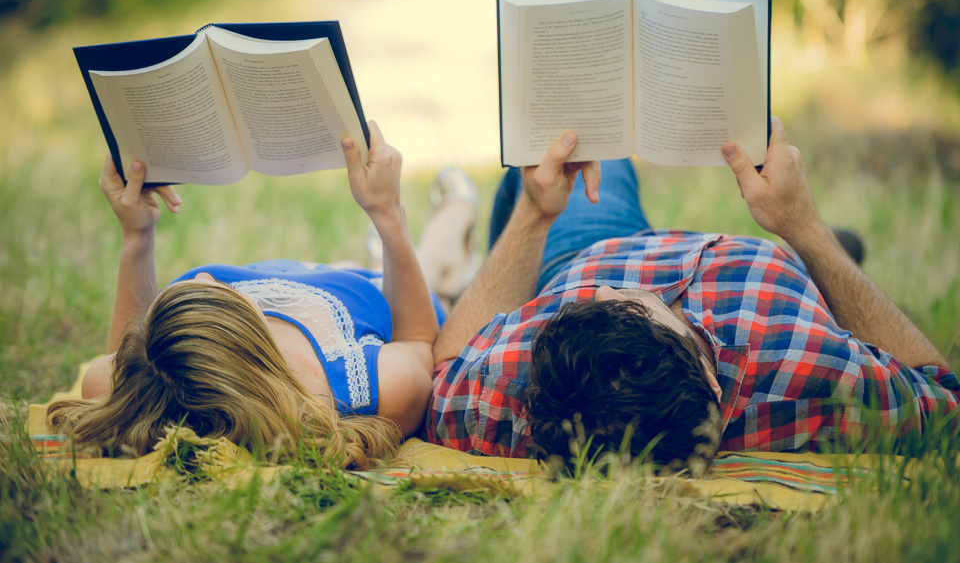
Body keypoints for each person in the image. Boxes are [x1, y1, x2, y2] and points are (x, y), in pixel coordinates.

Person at [427, 119, 960, 475]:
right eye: (635, 300)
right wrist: (805, 228)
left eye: (606, 299)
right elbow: (944, 397)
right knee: (839, 278)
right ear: (709, 378)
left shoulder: (527, 381)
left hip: (586, 250)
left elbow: (446, 366)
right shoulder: (815, 366)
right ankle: (828, 265)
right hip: (779, 275)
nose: (612, 286)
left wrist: (534, 215)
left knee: (578, 154)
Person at [49, 122, 475, 470]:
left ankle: (383, 253)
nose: (207, 277)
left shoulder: (144, 376)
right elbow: (418, 339)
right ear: (251, 338)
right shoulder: (367, 384)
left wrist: (136, 234)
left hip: (318, 281)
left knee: (359, 263)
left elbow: (128, 355)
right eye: (214, 293)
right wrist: (389, 214)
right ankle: (452, 226)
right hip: (382, 293)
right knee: (432, 263)